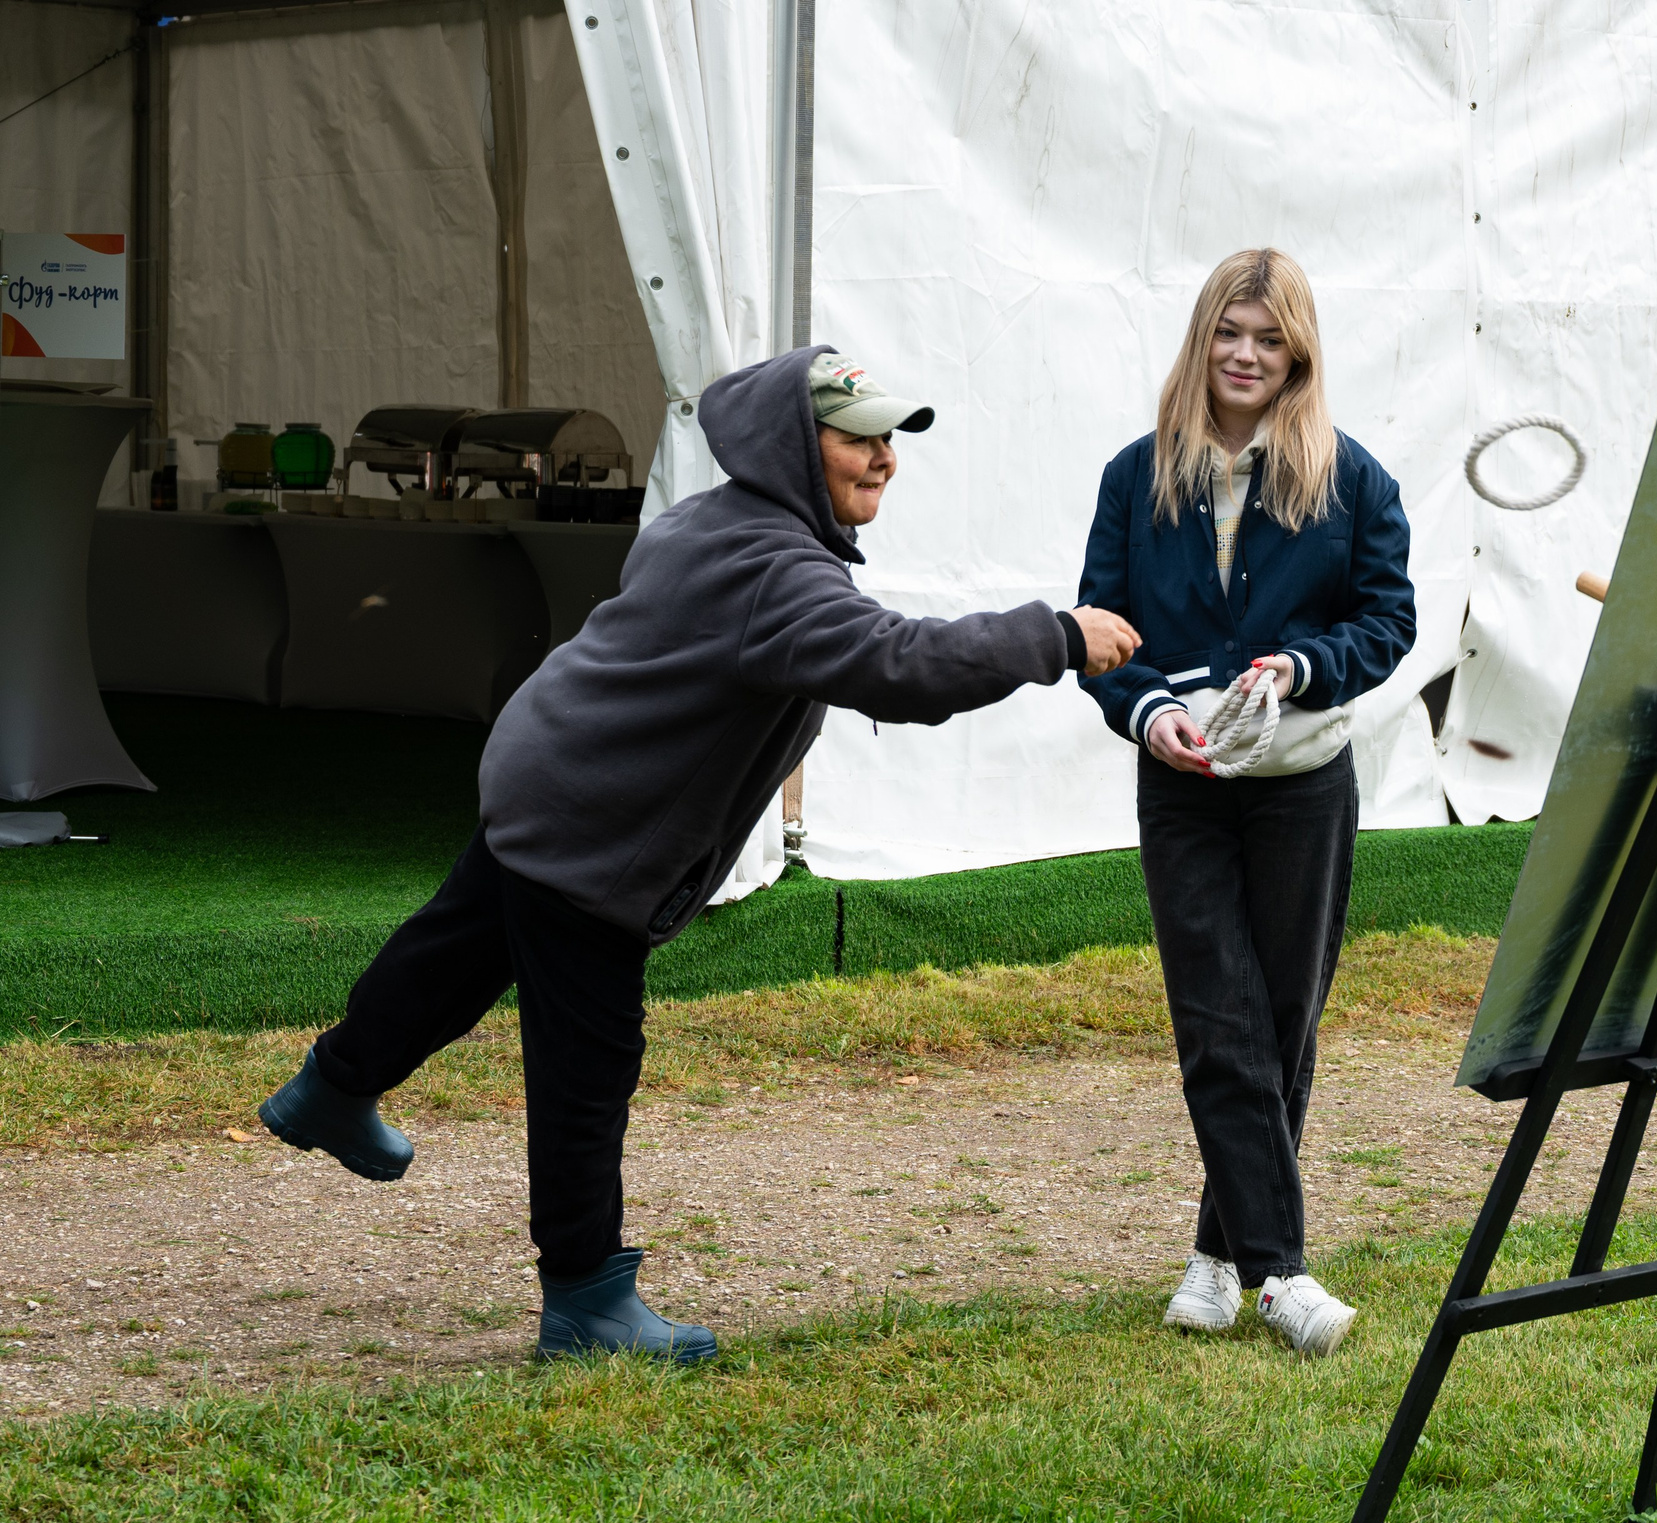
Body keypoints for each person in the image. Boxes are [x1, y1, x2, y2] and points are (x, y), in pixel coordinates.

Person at [256, 348, 1141, 1362]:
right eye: (859, 437)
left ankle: (330, 1087)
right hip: (592, 827)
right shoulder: (772, 566)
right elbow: (901, 668)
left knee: (455, 956)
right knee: (587, 1062)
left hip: (547, 778)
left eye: (890, 438)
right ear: (789, 446)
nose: (885, 458)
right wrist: (1057, 636)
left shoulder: (719, 519)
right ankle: (586, 1303)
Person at [1077, 249, 1415, 1357]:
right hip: (1182, 790)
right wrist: (1147, 711)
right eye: (1230, 332)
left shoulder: (1349, 478)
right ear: (1201, 338)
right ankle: (1282, 1277)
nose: (1245, 355)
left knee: (1280, 1027)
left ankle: (1220, 1257)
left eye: (1269, 339)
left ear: (1298, 353)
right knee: (1218, 1025)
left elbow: (1387, 620)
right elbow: (1101, 632)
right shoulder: (1138, 476)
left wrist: (1303, 666)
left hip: (1303, 786)